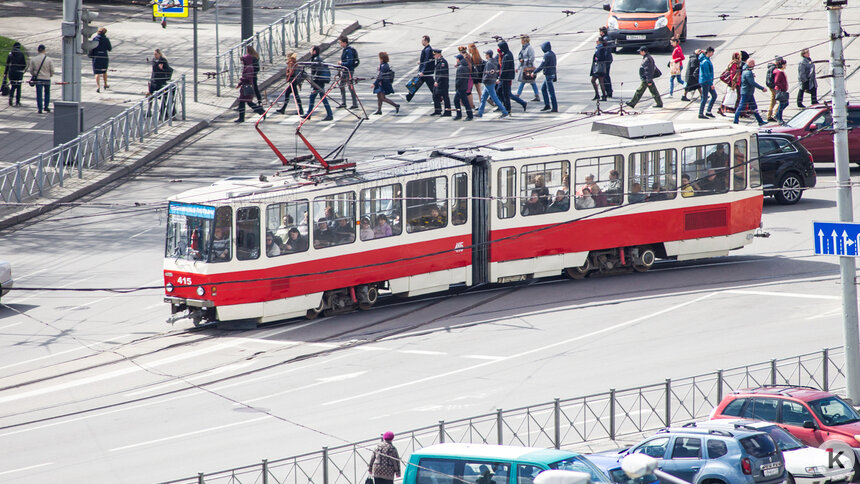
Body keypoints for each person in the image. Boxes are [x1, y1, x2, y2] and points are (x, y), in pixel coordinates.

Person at [733, 59, 767, 125]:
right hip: (746, 93)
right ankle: (735, 121)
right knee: (741, 107)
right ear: (749, 63)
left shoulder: (746, 70)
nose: (754, 65)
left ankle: (760, 121)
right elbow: (752, 82)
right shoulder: (748, 72)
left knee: (754, 107)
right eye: (753, 63)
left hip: (748, 93)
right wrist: (762, 88)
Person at [476, 50, 508, 118]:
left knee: (494, 98)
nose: (485, 56)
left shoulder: (489, 63)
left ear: (488, 55)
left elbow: (489, 74)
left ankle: (504, 112)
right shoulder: (494, 61)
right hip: (491, 82)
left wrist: (484, 80)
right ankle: (480, 112)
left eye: (486, 54)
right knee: (483, 98)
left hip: (488, 82)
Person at [235, 53, 266, 123]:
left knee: (243, 102)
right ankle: (261, 111)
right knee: (248, 102)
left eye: (243, 61)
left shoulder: (249, 68)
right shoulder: (247, 67)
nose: (242, 62)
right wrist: (240, 83)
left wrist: (241, 80)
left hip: (247, 87)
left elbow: (248, 78)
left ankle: (242, 118)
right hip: (246, 86)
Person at [307, 45, 333, 121]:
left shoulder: (316, 60)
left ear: (314, 51)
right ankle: (329, 114)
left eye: (311, 50)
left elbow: (317, 71)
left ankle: (329, 115)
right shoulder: (316, 59)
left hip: (318, 83)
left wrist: (314, 79)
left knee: (315, 97)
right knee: (321, 98)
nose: (310, 51)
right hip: (319, 82)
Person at [406, 35, 435, 103]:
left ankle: (438, 99)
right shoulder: (426, 49)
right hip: (424, 72)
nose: (421, 42)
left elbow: (427, 61)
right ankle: (408, 97)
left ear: (426, 41)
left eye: (422, 40)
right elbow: (424, 60)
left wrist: (423, 71)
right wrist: (421, 62)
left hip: (425, 73)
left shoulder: (428, 49)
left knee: (416, 85)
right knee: (415, 84)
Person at [28, 44, 54, 114]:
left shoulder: (34, 59)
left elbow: (31, 70)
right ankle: (46, 106)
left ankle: (40, 108)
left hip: (38, 78)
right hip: (47, 78)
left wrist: (34, 75)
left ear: (38, 50)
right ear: (44, 50)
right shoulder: (49, 59)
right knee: (47, 93)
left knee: (39, 93)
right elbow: (52, 70)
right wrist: (50, 75)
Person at [534, 41, 557, 112]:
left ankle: (555, 108)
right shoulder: (552, 53)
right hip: (552, 74)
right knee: (543, 89)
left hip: (548, 75)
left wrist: (534, 72)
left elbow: (542, 66)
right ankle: (547, 105)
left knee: (551, 92)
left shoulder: (546, 55)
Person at [516, 35, 540, 102]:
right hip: (524, 67)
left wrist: (524, 61)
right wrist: (518, 67)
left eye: (522, 40)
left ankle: (518, 95)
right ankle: (536, 95)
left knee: (527, 81)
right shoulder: (523, 48)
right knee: (529, 81)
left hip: (528, 68)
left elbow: (532, 58)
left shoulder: (529, 48)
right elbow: (521, 57)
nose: (521, 41)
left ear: (524, 41)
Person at [338, 35, 359, 109]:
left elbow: (349, 62)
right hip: (345, 71)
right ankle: (344, 102)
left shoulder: (348, 51)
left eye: (340, 43)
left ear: (344, 43)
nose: (340, 44)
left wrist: (341, 63)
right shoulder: (345, 50)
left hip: (348, 71)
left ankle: (354, 103)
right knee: (341, 85)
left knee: (350, 87)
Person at [497, 40, 517, 113]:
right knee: (500, 91)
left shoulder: (506, 56)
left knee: (505, 93)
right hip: (506, 77)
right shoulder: (508, 54)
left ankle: (507, 108)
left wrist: (500, 78)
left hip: (505, 78)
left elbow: (504, 69)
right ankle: (505, 106)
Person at [452, 54, 474, 121]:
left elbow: (459, 79)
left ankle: (469, 115)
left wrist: (457, 86)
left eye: (457, 59)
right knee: (457, 100)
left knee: (464, 102)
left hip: (461, 87)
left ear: (458, 59)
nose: (456, 60)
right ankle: (459, 115)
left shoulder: (461, 67)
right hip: (464, 86)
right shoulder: (464, 65)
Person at [4, 42, 26, 106]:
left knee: (13, 85)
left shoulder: (10, 54)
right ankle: (17, 101)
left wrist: (5, 72)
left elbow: (7, 64)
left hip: (11, 71)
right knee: (18, 86)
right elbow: (24, 64)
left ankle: (11, 96)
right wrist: (21, 69)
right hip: (19, 72)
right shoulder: (21, 54)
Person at [90, 27, 112, 93]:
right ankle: (105, 84)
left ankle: (98, 86)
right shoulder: (106, 39)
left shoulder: (95, 39)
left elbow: (91, 48)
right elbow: (109, 49)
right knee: (104, 71)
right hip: (104, 57)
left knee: (97, 73)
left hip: (96, 57)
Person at [698, 47, 717, 119]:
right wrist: (711, 83)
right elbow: (707, 74)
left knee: (714, 96)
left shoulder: (705, 59)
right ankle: (700, 113)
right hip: (706, 82)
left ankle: (708, 111)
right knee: (704, 98)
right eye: (712, 52)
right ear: (709, 52)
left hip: (706, 81)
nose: (713, 54)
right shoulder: (705, 61)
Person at [432, 49, 451, 116]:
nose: (434, 56)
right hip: (437, 82)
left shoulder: (443, 62)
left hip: (443, 83)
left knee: (445, 97)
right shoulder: (438, 61)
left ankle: (448, 111)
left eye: (435, 54)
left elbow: (442, 73)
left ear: (438, 54)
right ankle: (437, 110)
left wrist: (437, 81)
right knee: (435, 96)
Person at [590, 37, 610, 101]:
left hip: (599, 67)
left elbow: (601, 57)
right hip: (598, 66)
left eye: (597, 41)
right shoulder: (599, 48)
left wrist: (596, 59)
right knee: (599, 81)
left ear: (600, 42)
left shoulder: (601, 48)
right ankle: (599, 95)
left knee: (598, 81)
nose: (596, 42)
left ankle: (602, 95)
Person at [598, 26, 614, 97]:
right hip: (609, 59)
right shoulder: (608, 37)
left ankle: (608, 91)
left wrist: (602, 59)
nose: (600, 33)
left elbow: (605, 51)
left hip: (605, 60)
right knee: (606, 75)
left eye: (600, 32)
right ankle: (609, 91)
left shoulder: (605, 39)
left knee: (604, 76)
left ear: (602, 32)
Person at [773, 58, 789, 124]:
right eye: (785, 65)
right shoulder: (779, 72)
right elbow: (776, 81)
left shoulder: (780, 71)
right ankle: (779, 119)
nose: (785, 66)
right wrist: (782, 87)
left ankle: (777, 116)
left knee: (785, 103)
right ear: (782, 65)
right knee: (782, 104)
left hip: (782, 90)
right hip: (781, 90)